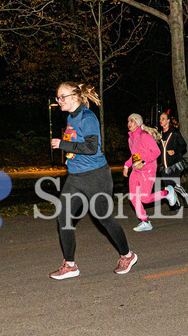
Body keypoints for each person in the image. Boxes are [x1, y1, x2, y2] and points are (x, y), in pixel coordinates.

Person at [49, 81, 137, 279]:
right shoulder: (71, 117)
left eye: (62, 97)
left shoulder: (88, 117)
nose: (59, 101)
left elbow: (91, 148)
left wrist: (63, 144)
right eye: (58, 97)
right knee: (63, 217)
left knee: (104, 218)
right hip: (76, 177)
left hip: (96, 176)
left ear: (74, 97)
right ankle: (70, 265)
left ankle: (127, 255)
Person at [123, 113, 174, 232]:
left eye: (132, 121)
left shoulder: (144, 136)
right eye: (128, 121)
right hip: (136, 171)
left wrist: (143, 163)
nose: (129, 124)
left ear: (138, 122)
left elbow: (156, 152)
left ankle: (167, 193)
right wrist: (127, 165)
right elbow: (135, 155)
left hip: (148, 170)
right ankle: (144, 221)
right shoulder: (131, 138)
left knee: (145, 199)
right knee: (134, 197)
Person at [156, 110, 188, 197]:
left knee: (172, 185)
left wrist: (175, 151)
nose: (161, 121)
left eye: (163, 119)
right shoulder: (159, 135)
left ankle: (186, 197)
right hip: (165, 165)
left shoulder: (174, 133)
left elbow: (183, 145)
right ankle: (175, 205)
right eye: (160, 119)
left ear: (168, 120)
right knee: (168, 188)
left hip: (175, 163)